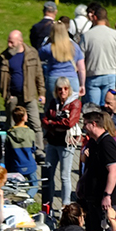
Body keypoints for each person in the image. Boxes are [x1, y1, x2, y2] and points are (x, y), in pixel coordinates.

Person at [0, 30, 45, 150]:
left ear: (20, 41)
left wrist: (42, 93)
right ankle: (13, 148)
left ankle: (39, 149)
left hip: (29, 95)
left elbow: (39, 74)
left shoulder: (32, 53)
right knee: (11, 124)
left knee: (35, 124)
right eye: (8, 41)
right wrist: (6, 95)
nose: (9, 45)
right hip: (13, 96)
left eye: (12, 42)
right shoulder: (4, 57)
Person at [77, 110, 116, 231]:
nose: (84, 127)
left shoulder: (107, 143)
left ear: (94, 124)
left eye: (86, 124)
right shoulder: (93, 142)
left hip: (105, 200)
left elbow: (113, 171)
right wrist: (81, 182)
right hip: (93, 198)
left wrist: (107, 195)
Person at [41, 77, 81, 211]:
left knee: (64, 176)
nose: (62, 91)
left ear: (69, 89)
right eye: (59, 89)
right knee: (48, 174)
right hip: (52, 142)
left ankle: (66, 205)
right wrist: (55, 125)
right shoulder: (54, 102)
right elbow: (45, 120)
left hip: (66, 144)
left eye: (65, 89)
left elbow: (70, 123)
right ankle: (47, 203)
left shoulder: (75, 103)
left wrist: (53, 123)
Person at [79, 4, 116, 106]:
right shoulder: (115, 34)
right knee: (108, 105)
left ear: (95, 17)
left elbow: (80, 58)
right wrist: (115, 69)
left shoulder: (87, 35)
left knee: (93, 108)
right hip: (110, 74)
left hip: (92, 74)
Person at [40, 21, 85, 106]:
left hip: (53, 78)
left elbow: (38, 57)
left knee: (51, 108)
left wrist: (48, 41)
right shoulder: (75, 47)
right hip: (72, 79)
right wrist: (82, 85)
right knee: (72, 108)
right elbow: (82, 68)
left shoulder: (48, 48)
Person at [5, 107, 39, 200]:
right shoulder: (30, 132)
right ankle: (27, 198)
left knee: (14, 186)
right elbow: (33, 149)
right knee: (34, 185)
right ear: (24, 117)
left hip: (16, 166)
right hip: (29, 165)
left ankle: (16, 199)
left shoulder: (9, 134)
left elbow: (8, 153)